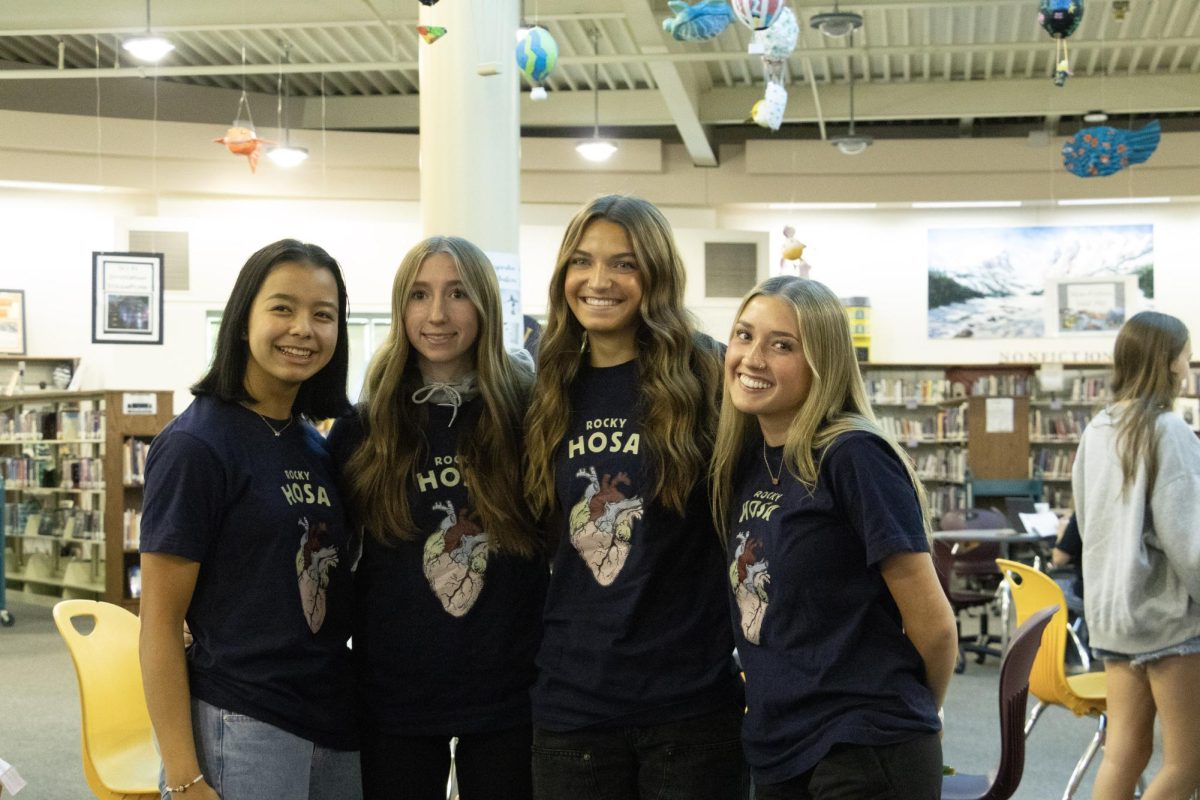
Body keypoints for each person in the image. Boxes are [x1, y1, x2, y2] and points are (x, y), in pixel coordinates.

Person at [523, 194, 746, 798]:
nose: (598, 281)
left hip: (690, 707)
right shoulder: (545, 384)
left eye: (623, 263)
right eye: (582, 261)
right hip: (573, 707)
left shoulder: (710, 376)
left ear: (656, 275)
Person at [711, 275, 958, 799]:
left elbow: (933, 625)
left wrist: (908, 718)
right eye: (743, 336)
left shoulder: (853, 455)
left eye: (782, 345)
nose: (752, 358)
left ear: (822, 363)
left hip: (864, 746)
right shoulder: (748, 463)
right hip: (780, 746)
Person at [326, 236, 547, 800]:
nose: (437, 314)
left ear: (487, 307)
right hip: (394, 692)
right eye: (420, 295)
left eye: (457, 294)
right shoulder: (365, 426)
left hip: (510, 691)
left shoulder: (528, 415)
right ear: (401, 309)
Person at [139, 239, 360, 800]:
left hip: (331, 718)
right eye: (282, 308)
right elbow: (160, 624)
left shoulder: (314, 442)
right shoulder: (196, 444)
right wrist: (185, 778)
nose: (303, 329)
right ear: (243, 321)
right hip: (241, 721)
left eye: (323, 314)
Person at [1073, 310, 1200, 800]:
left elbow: (1087, 523)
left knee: (1124, 751)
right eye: (1186, 356)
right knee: (1189, 762)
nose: (1188, 366)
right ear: (1169, 362)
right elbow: (1188, 542)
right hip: (1168, 620)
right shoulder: (1168, 430)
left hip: (1114, 615)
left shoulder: (1097, 430)